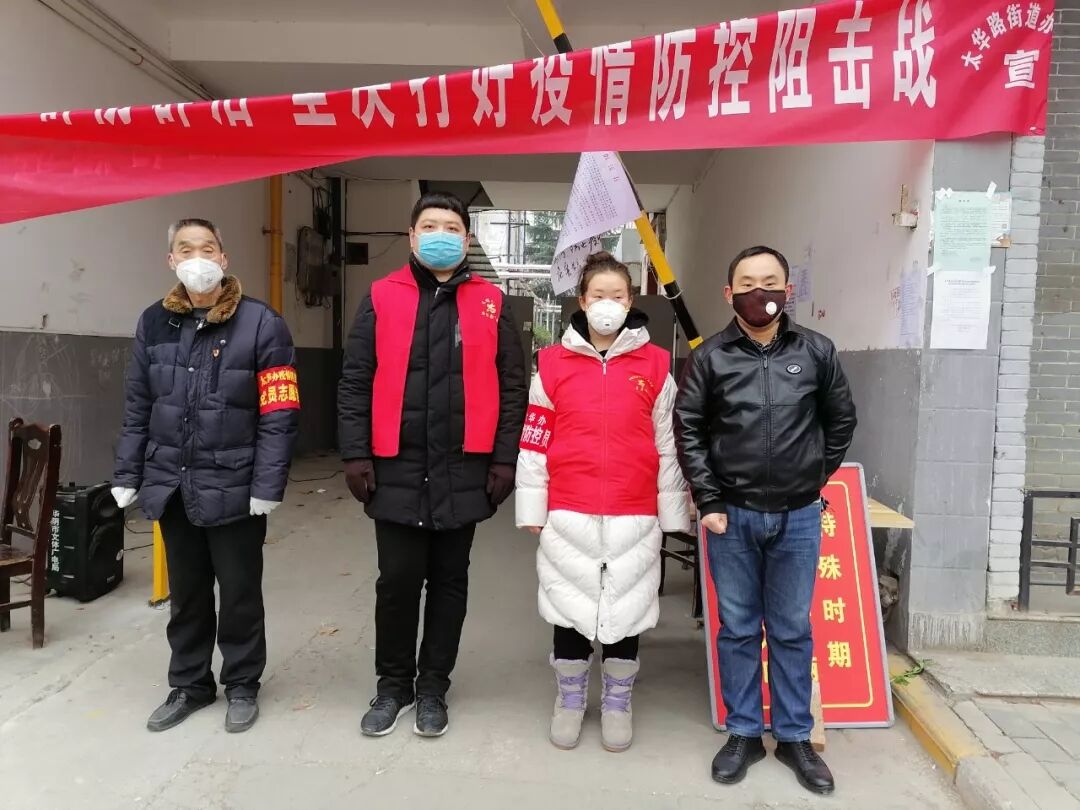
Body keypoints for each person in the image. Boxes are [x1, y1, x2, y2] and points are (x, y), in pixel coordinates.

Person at [338, 192, 528, 739]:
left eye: (451, 227)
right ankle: (393, 686)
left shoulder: (491, 301)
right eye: (429, 226)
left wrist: (504, 460)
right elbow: (355, 380)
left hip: (463, 467)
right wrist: (355, 453)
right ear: (412, 235)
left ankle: (433, 688)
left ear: (466, 239)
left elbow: (512, 387)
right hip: (395, 465)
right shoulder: (381, 296)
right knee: (397, 582)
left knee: (449, 583)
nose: (440, 234)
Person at [674, 246, 856, 795]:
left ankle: (795, 736)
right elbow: (689, 429)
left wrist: (811, 477)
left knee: (791, 628)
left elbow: (841, 420)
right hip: (731, 517)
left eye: (771, 281)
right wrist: (710, 500)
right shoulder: (710, 357)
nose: (761, 293)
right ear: (729, 294)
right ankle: (745, 732)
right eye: (749, 283)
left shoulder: (817, 351)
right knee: (737, 628)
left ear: (788, 290)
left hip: (798, 516)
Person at [112, 218, 299, 734]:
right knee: (188, 595)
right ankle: (190, 684)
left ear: (224, 258)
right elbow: (138, 405)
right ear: (171, 260)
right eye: (186, 249)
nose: (198, 257)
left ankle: (242, 685)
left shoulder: (262, 323)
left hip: (236, 486)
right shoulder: (154, 322)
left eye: (208, 248)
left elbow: (280, 411)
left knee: (239, 594)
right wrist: (128, 472)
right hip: (173, 484)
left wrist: (267, 484)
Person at [516, 252, 691, 753]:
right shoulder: (552, 364)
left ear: (631, 301)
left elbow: (668, 443)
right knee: (569, 606)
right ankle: (570, 698)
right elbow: (534, 440)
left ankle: (617, 700)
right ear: (582, 300)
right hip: (568, 507)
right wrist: (532, 506)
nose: (608, 303)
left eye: (617, 295)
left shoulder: (655, 364)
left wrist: (672, 509)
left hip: (634, 509)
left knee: (626, 608)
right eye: (599, 295)